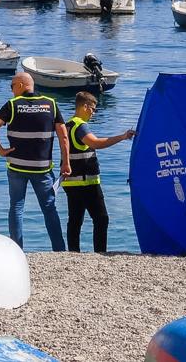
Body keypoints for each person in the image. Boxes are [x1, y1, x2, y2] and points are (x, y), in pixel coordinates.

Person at [0, 72, 69, 251]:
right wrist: (66, 162)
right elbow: (64, 136)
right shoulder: (50, 104)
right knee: (49, 209)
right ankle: (60, 250)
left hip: (17, 166)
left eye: (12, 86)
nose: (12, 90)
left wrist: (0, 150)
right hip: (42, 168)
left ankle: (17, 249)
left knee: (16, 207)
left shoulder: (13, 105)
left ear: (22, 85)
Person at [63, 91, 134, 253]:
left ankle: (73, 253)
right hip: (86, 182)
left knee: (75, 220)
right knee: (101, 219)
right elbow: (95, 143)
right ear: (85, 107)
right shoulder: (80, 125)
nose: (94, 113)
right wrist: (122, 137)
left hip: (70, 181)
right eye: (93, 109)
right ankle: (100, 252)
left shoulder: (68, 125)